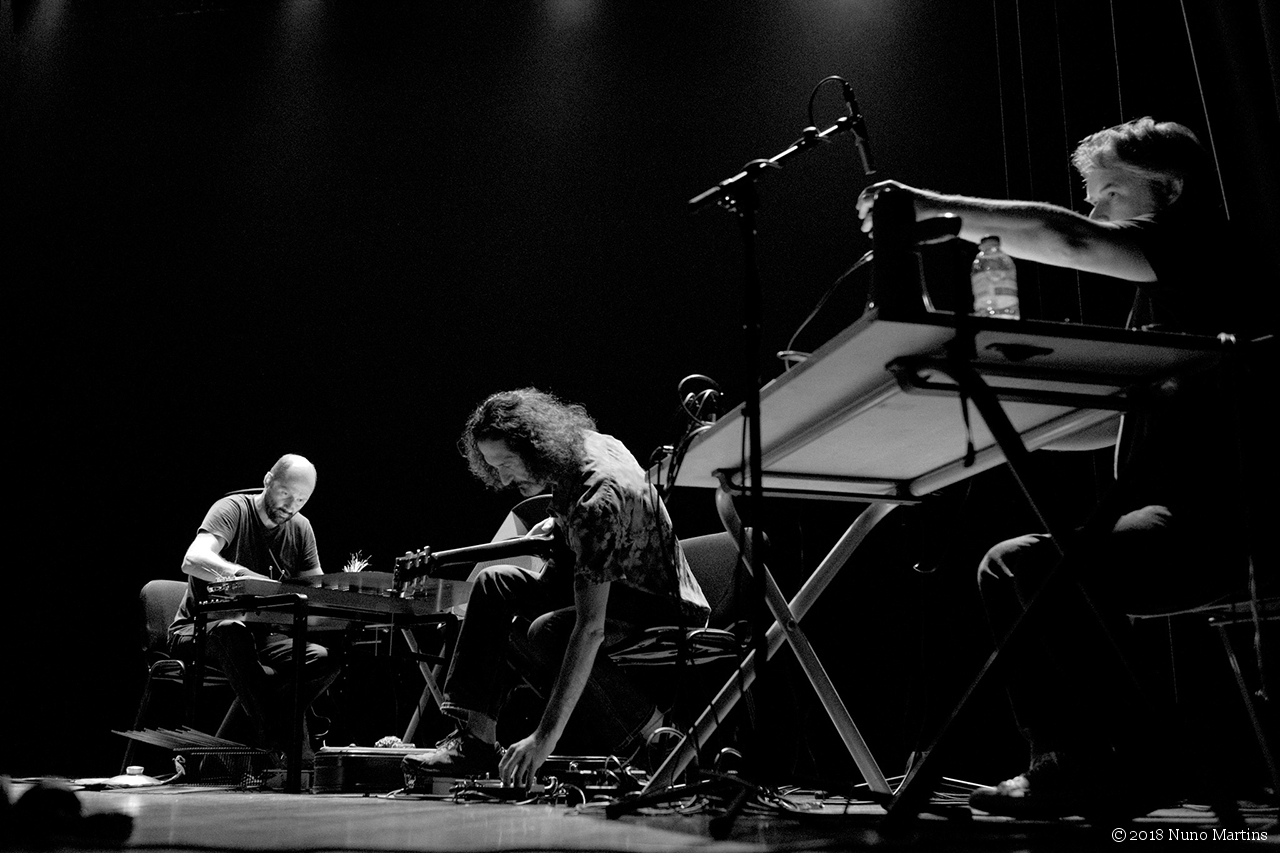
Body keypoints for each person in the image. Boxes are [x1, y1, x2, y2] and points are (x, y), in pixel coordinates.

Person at [857, 117, 1252, 818]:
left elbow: (1063, 236)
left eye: (1109, 192)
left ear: (1168, 189)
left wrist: (925, 209)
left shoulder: (1197, 248)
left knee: (1022, 567)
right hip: (1182, 517)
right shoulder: (1165, 291)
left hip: (1221, 525)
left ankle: (1116, 761)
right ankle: (1102, 761)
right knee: (1020, 564)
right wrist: (1005, 427)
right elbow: (1112, 424)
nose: (1094, 210)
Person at [402, 388, 711, 789]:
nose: (503, 479)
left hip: (659, 603)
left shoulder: (594, 502)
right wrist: (558, 523)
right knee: (495, 583)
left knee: (549, 630)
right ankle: (475, 741)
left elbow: (590, 628)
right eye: (495, 468)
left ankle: (657, 739)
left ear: (534, 446)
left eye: (507, 464)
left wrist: (542, 739)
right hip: (619, 585)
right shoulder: (584, 446)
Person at [168, 453, 341, 769]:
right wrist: (243, 577)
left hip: (262, 636)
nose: (291, 505)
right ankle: (279, 744)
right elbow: (193, 559)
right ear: (268, 481)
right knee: (233, 632)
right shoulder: (232, 509)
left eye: (301, 500)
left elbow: (314, 592)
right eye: (286, 493)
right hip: (200, 629)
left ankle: (228, 755)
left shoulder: (301, 528)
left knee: (323, 659)